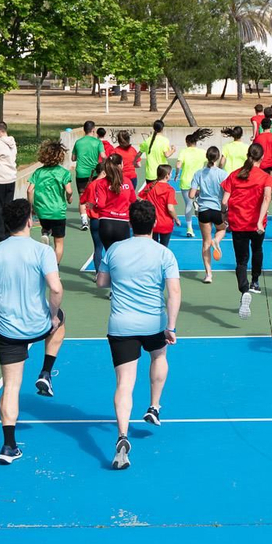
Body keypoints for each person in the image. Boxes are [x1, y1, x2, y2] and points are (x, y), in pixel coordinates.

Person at [0, 198, 66, 465]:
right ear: (29, 222)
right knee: (61, 324)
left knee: (10, 386)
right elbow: (55, 289)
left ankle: (9, 446)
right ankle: (46, 371)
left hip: (8, 329)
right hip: (39, 324)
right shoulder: (42, 251)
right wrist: (53, 316)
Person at [98, 199, 181, 470]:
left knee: (124, 383)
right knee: (159, 355)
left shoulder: (114, 250)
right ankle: (154, 406)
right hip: (154, 323)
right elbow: (174, 293)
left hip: (121, 325)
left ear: (130, 223)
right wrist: (171, 326)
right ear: (154, 222)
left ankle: (123, 436)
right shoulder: (164, 254)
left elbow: (101, 283)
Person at [222, 142, 272, 320]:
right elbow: (267, 198)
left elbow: (224, 201)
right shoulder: (265, 177)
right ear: (262, 158)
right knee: (258, 250)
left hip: (238, 223)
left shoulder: (235, 175)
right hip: (257, 225)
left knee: (241, 260)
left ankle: (244, 290)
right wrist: (259, 220)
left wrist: (225, 215)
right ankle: (255, 281)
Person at [81, 153, 136, 276]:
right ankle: (120, 284)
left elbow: (100, 204)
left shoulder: (101, 183)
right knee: (122, 257)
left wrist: (92, 206)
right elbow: (133, 201)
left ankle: (106, 280)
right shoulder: (127, 182)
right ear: (121, 165)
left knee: (109, 254)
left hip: (106, 224)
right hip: (122, 224)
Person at [25, 138, 75, 264]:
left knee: (46, 225)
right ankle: (54, 266)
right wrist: (69, 199)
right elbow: (69, 191)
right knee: (59, 243)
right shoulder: (63, 173)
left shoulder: (38, 172)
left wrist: (31, 207)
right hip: (58, 210)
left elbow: (30, 190)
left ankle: (45, 233)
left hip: (42, 209)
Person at [190, 145, 228, 284]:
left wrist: (201, 192)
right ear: (218, 158)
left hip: (204, 211)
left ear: (207, 157)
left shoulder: (198, 173)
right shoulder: (223, 174)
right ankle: (217, 240)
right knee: (222, 229)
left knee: (205, 243)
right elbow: (226, 193)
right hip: (217, 209)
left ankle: (208, 275)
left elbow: (191, 194)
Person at [175, 129, 210, 238]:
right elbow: (210, 162)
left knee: (188, 204)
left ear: (187, 142)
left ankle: (189, 228)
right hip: (199, 182)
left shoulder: (183, 152)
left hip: (186, 182)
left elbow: (178, 165)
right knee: (203, 203)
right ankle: (198, 206)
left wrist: (176, 174)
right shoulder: (202, 152)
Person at [72, 120, 106, 229]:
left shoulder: (78, 142)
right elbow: (103, 155)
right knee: (94, 195)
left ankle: (84, 221)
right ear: (93, 130)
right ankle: (95, 217)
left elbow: (73, 158)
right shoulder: (97, 142)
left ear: (84, 130)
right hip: (94, 173)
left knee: (82, 197)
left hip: (81, 173)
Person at [138, 165, 178, 246]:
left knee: (153, 247)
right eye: (170, 174)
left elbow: (140, 199)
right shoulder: (169, 190)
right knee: (164, 248)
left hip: (152, 222)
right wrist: (176, 219)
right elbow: (170, 208)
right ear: (167, 175)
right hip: (165, 222)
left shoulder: (150, 186)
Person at [252, 119, 272, 199]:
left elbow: (254, 149)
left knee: (261, 178)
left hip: (261, 162)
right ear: (271, 126)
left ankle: (261, 192)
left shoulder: (258, 138)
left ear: (261, 126)